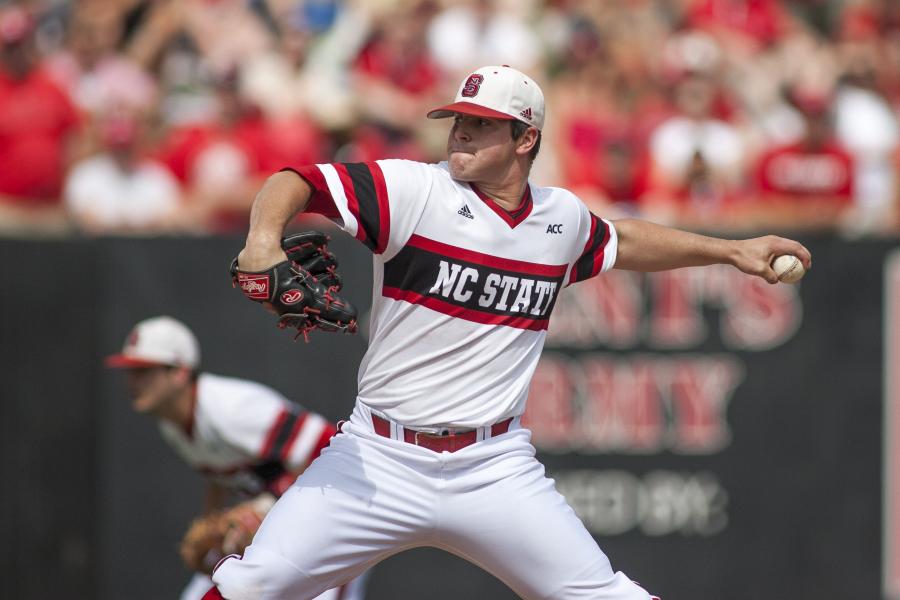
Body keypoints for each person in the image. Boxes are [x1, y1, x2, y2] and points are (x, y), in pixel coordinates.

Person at [210, 65, 812, 600]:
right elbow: (296, 180)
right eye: (458, 120)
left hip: (492, 466)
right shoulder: (416, 190)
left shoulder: (561, 219)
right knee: (254, 585)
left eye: (482, 124)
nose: (461, 133)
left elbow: (622, 240)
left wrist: (733, 251)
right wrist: (262, 240)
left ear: (526, 139)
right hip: (378, 456)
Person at [105, 316, 368, 600]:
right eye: (131, 371)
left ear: (179, 372)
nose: (132, 382)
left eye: (144, 371)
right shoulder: (172, 424)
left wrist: (265, 507)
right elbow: (219, 476)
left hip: (330, 524)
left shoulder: (230, 409)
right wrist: (211, 524)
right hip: (282, 527)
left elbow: (329, 447)